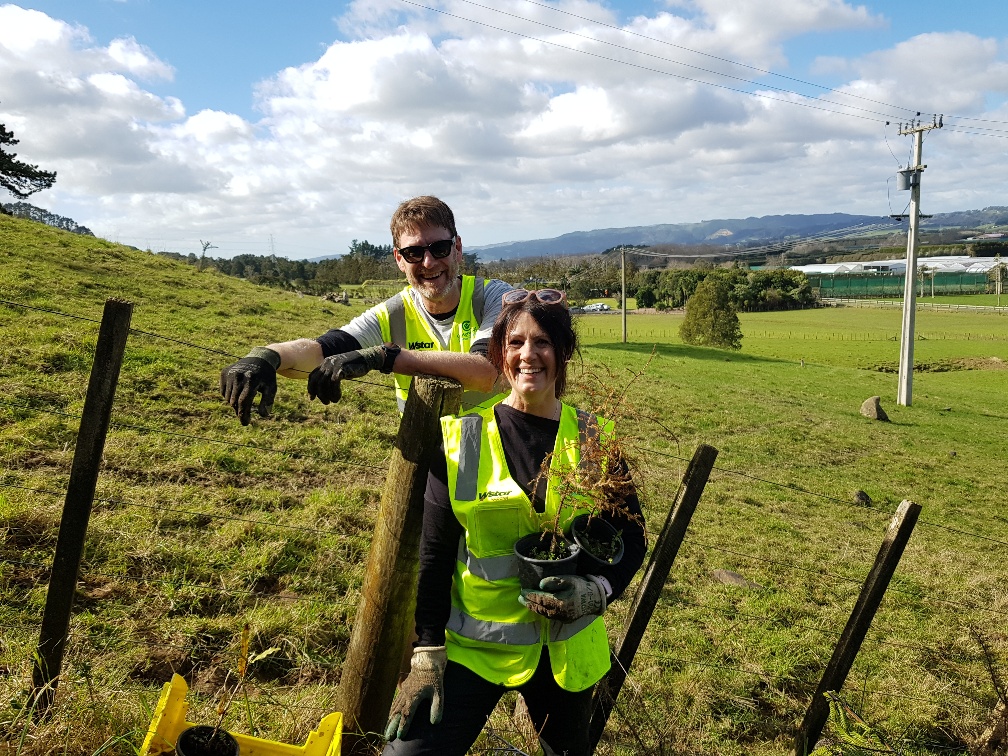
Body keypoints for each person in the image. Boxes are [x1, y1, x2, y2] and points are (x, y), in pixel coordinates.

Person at [383, 288, 646, 756]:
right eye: (515, 343)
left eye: (543, 342)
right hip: (474, 652)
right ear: (500, 354)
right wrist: (426, 652)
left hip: (565, 652)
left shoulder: (593, 440)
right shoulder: (462, 440)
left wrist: (598, 591)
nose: (529, 355)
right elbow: (436, 552)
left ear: (563, 353)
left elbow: (632, 537)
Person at [220, 196, 511, 423]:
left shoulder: (495, 297)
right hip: (426, 462)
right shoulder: (393, 313)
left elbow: (487, 373)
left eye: (440, 249)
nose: (428, 262)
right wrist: (266, 356)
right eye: (413, 252)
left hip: (496, 458)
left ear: (457, 248)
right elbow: (321, 350)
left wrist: (387, 358)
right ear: (399, 259)